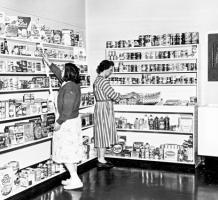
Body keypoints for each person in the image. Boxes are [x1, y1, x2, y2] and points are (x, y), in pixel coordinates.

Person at [42, 54, 83, 190]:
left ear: (69, 73)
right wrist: (49, 62)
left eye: (64, 69)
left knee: (66, 152)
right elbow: (59, 73)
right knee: (72, 153)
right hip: (72, 121)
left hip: (67, 123)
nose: (62, 71)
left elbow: (67, 108)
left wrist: (59, 122)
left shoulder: (69, 87)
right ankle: (73, 177)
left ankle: (76, 180)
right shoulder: (71, 84)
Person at [93, 60, 122, 168]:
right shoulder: (103, 81)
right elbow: (113, 95)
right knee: (103, 134)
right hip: (104, 108)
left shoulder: (97, 80)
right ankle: (101, 159)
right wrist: (127, 96)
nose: (111, 72)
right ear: (105, 69)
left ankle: (101, 158)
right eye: (110, 70)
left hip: (101, 107)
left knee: (102, 133)